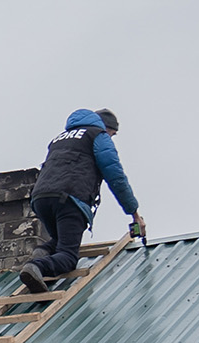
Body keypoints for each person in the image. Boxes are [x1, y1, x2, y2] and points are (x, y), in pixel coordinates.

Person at [19, 108, 145, 295]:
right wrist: (134, 213)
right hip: (69, 199)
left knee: (60, 241)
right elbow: (116, 176)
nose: (111, 137)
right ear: (105, 127)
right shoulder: (98, 136)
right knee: (69, 257)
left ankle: (43, 251)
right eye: (113, 133)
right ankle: (37, 266)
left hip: (40, 198)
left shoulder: (59, 139)